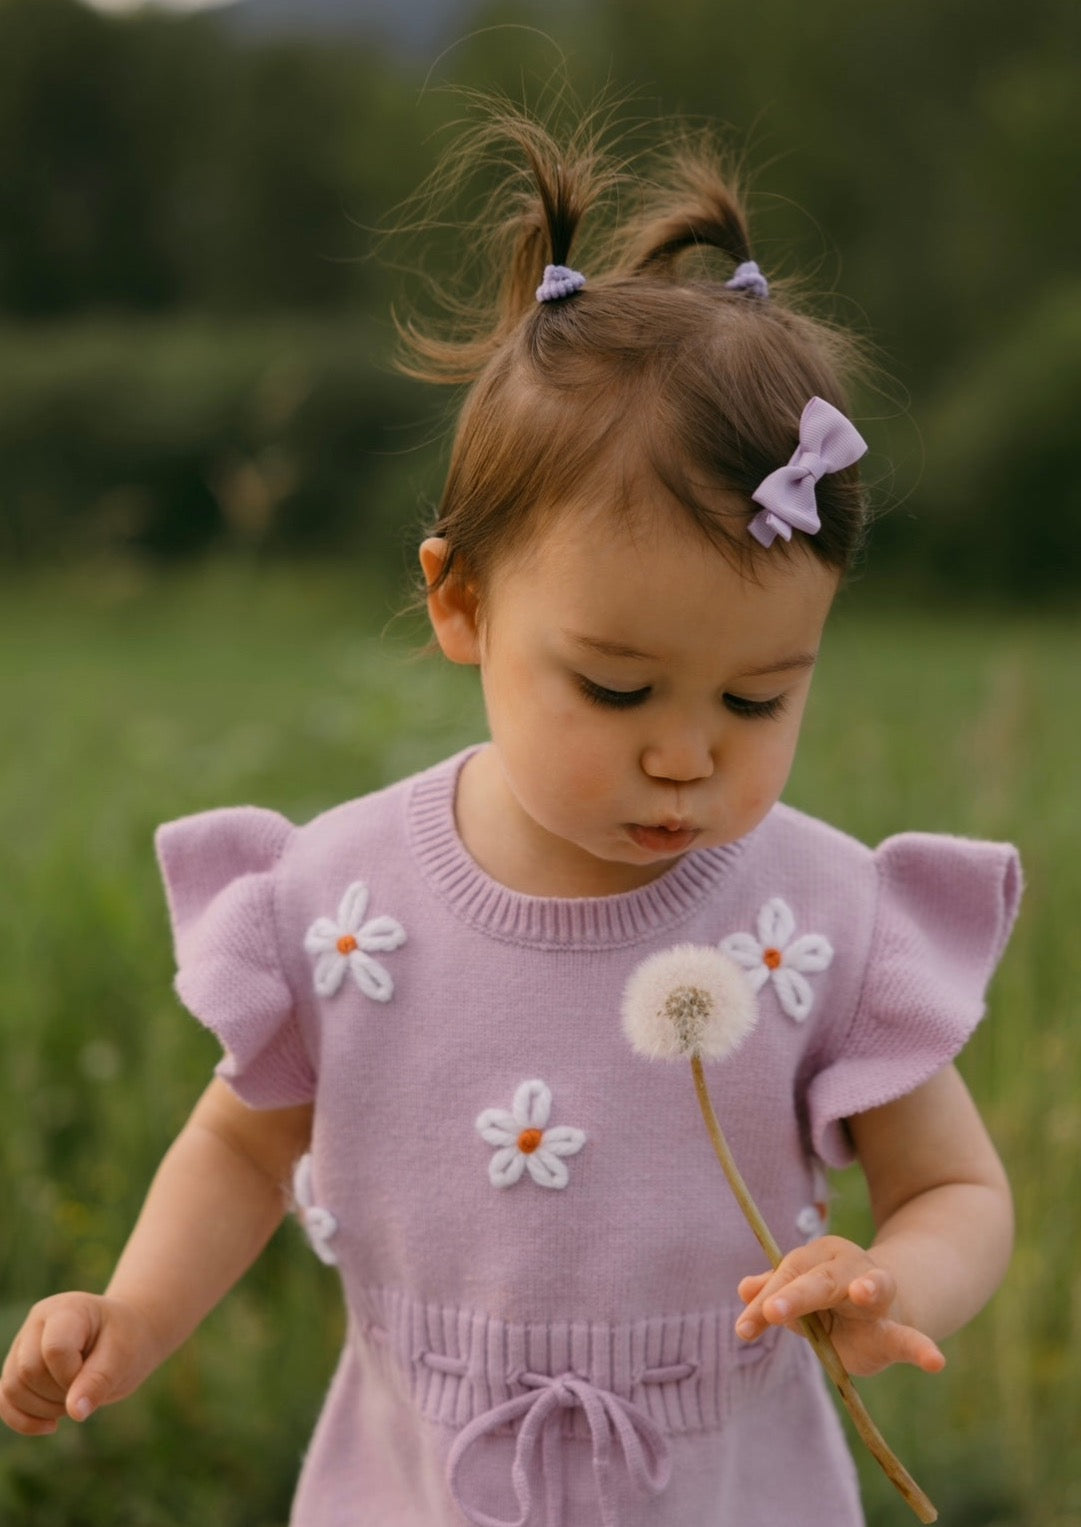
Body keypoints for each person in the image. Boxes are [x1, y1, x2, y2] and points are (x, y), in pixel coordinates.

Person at [0, 105, 1022, 1527]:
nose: (685, 759)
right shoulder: (342, 895)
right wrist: (134, 1310)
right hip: (421, 1482)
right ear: (461, 602)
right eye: (616, 691)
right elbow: (243, 1144)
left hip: (727, 1485)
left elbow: (958, 1190)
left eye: (755, 703)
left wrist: (890, 1281)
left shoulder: (818, 914)